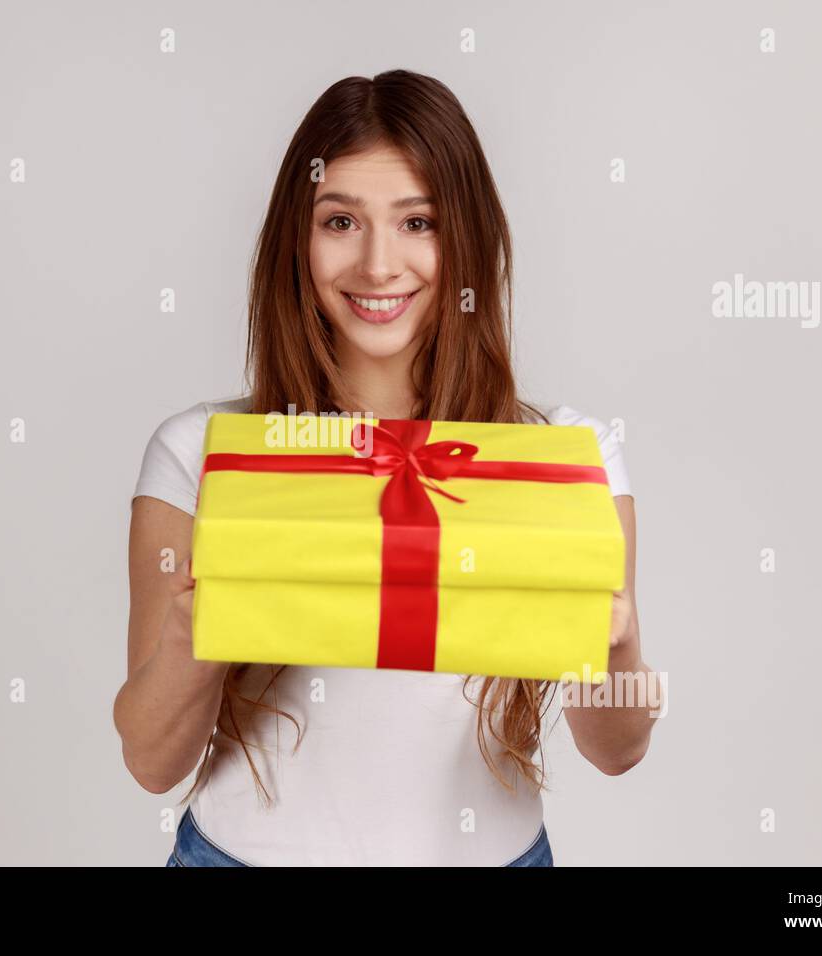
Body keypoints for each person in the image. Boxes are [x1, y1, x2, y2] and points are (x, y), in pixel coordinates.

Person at [114, 69, 659, 866]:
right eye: (340, 221)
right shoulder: (202, 452)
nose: (377, 264)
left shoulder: (566, 458)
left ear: (465, 240)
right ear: (296, 243)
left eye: (418, 223)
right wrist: (204, 620)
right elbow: (150, 763)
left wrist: (617, 652)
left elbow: (618, 750)